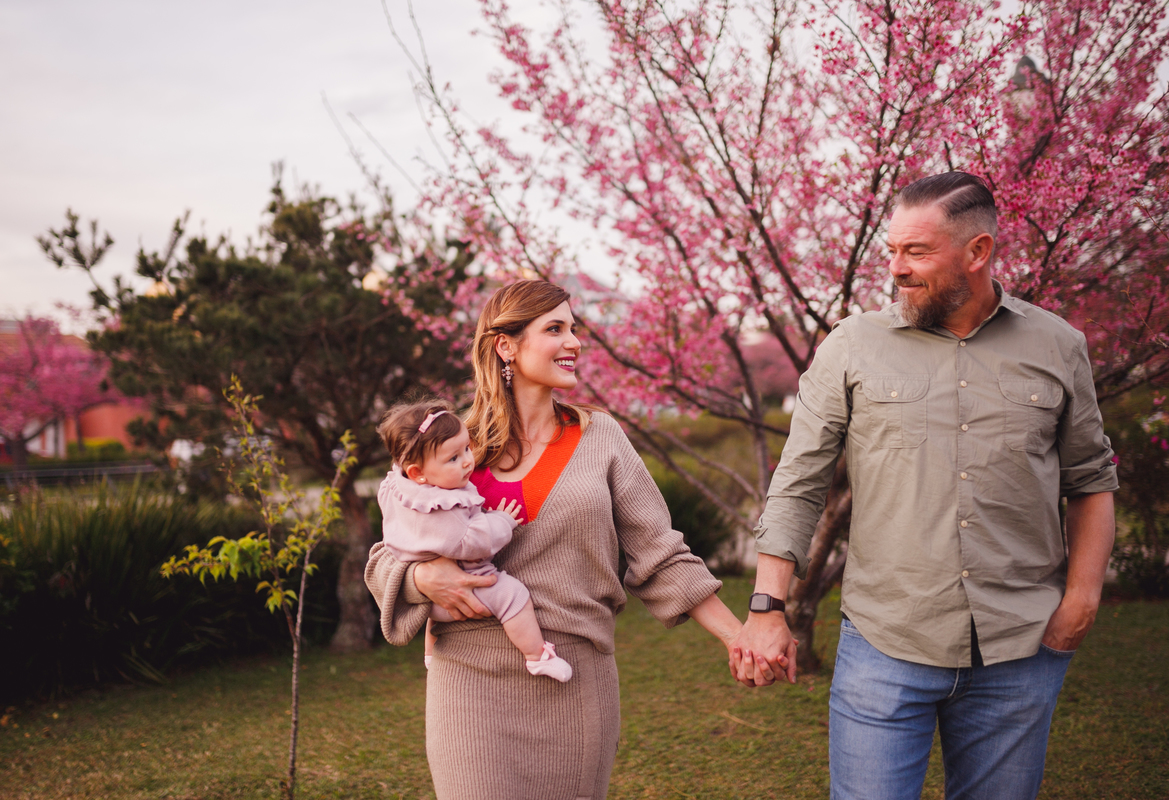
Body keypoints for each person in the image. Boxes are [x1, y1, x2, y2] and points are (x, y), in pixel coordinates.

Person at [731, 172, 1118, 800]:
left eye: (916, 252)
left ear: (978, 252)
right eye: (891, 251)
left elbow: (1090, 481)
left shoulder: (1057, 346)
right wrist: (767, 607)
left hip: (1020, 649)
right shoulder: (852, 347)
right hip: (886, 645)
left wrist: (1083, 598)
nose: (896, 270)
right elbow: (798, 483)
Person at [363, 279, 746, 799]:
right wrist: (420, 577)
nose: (575, 342)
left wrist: (737, 636)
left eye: (575, 329)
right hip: (468, 682)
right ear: (506, 346)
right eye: (555, 329)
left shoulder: (602, 438)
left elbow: (660, 553)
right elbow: (387, 553)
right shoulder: (449, 444)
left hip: (574, 680)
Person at [375, 400, 572, 681]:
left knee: (437, 614)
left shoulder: (399, 488)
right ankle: (537, 655)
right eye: (453, 458)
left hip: (429, 600)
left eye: (466, 448)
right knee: (512, 595)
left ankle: (430, 655)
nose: (468, 460)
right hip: (466, 584)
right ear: (417, 472)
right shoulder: (444, 505)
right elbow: (475, 540)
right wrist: (503, 520)